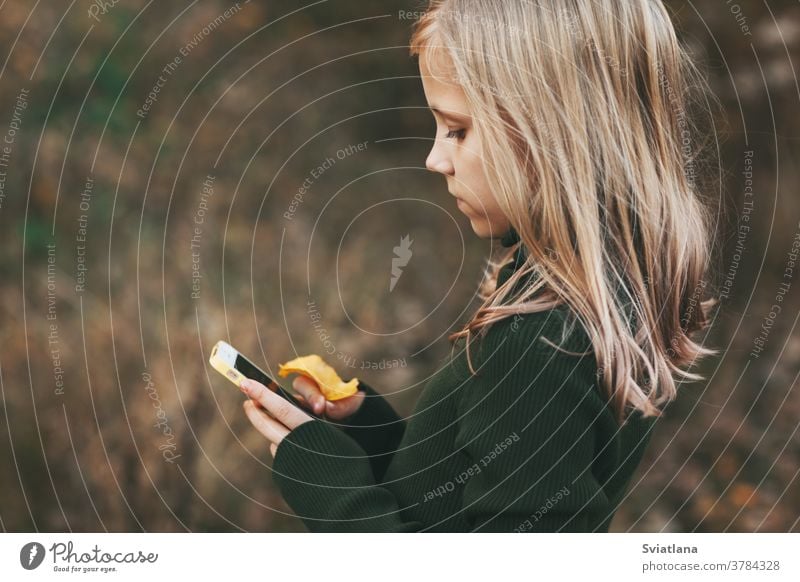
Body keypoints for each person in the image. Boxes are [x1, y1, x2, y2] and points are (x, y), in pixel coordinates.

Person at [241, 0, 720, 532]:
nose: (435, 159)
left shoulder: (545, 337)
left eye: (458, 129)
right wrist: (366, 431)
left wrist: (332, 492)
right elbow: (462, 502)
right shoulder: (579, 293)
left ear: (556, 132)